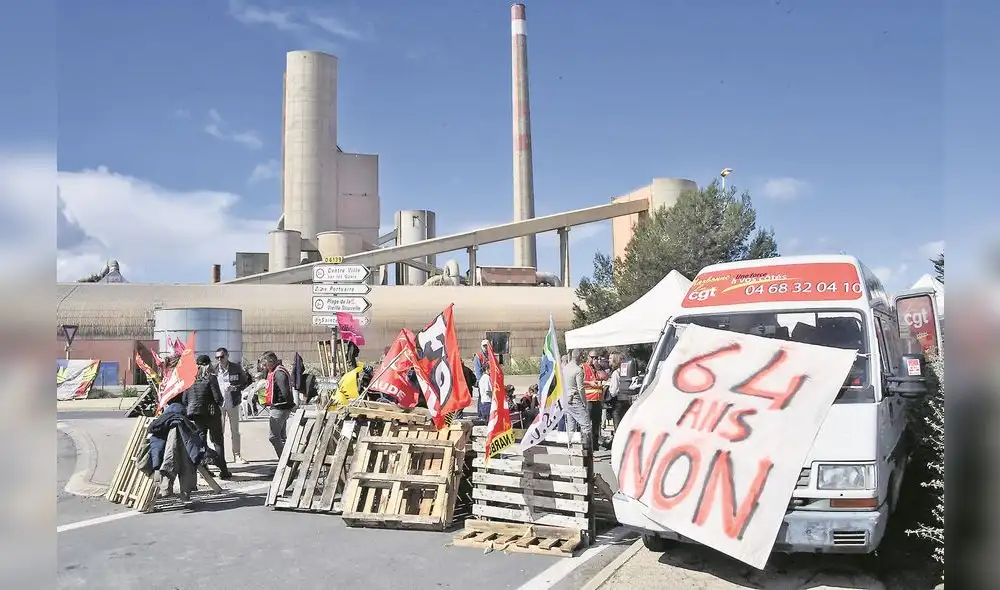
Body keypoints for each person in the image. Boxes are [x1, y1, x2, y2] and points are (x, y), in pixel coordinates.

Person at [184, 355, 231, 479]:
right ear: (208, 364)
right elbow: (218, 398)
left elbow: (185, 399)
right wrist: (220, 402)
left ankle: (204, 470)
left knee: (201, 441)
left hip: (196, 416)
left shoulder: (190, 379)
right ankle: (223, 470)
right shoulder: (211, 378)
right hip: (212, 414)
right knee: (217, 441)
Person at [213, 347, 251, 465]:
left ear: (227, 356)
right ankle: (220, 457)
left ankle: (237, 455)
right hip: (219, 404)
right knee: (219, 432)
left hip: (233, 403)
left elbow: (246, 381)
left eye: (222, 357)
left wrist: (236, 388)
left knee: (235, 431)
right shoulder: (213, 369)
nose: (220, 359)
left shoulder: (235, 368)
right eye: (217, 357)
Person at [262, 351, 297, 459]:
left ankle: (284, 461)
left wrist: (292, 406)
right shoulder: (274, 370)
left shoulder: (279, 373)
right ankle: (286, 462)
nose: (264, 367)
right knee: (281, 437)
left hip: (280, 408)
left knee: (273, 437)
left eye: (265, 364)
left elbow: (285, 391)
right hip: (279, 407)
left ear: (271, 362)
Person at [562, 349, 592, 445]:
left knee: (571, 428)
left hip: (567, 400)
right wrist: (585, 402)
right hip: (575, 399)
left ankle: (571, 450)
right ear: (580, 357)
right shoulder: (578, 370)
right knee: (586, 426)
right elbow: (580, 388)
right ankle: (587, 452)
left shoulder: (565, 368)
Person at [582, 349, 606, 448]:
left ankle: (595, 444)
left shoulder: (598, 368)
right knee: (588, 423)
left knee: (597, 422)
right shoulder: (583, 367)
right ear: (588, 357)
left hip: (598, 399)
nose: (595, 359)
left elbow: (605, 377)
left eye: (597, 358)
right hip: (588, 399)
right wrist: (589, 383)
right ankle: (587, 444)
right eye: (593, 357)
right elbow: (580, 381)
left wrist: (597, 368)